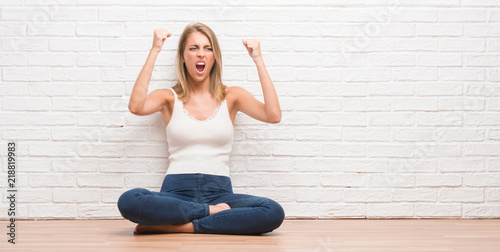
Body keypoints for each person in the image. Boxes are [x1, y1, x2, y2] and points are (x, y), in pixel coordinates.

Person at [117, 22, 285, 235]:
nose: (201, 54)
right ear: (183, 56)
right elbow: (136, 107)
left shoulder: (232, 96)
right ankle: (211, 213)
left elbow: (273, 115)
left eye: (208, 48)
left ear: (215, 56)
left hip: (220, 194)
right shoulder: (169, 97)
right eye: (193, 48)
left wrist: (258, 59)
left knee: (272, 211)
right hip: (176, 193)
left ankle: (182, 226)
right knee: (129, 200)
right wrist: (155, 50)